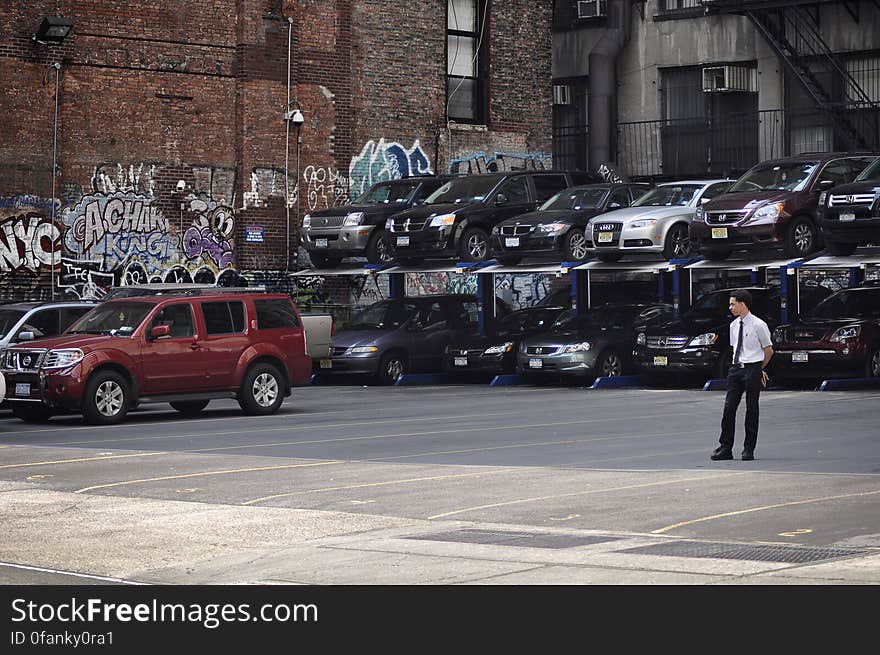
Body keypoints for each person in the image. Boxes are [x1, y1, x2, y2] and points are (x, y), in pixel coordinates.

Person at [710, 289, 773, 462]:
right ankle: (725, 447)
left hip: (752, 368)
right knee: (729, 408)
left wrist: (759, 368)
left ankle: (748, 448)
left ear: (742, 304)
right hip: (736, 368)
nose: (730, 307)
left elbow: (768, 351)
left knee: (751, 408)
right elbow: (735, 348)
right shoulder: (734, 325)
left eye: (733, 304)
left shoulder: (759, 325)